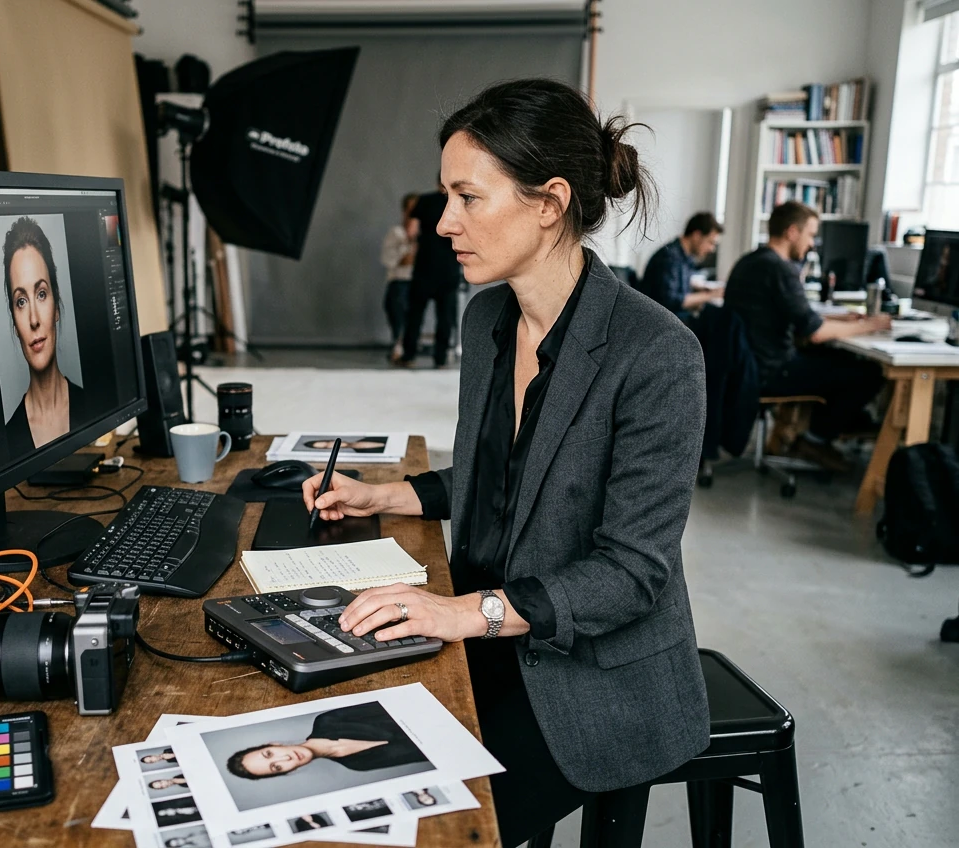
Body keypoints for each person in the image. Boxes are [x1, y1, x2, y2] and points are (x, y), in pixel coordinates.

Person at [299, 78, 710, 848]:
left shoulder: (656, 353)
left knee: (420, 826)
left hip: (587, 678)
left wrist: (463, 612)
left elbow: (632, 572)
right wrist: (384, 497)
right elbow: (511, 478)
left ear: (549, 203)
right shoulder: (488, 317)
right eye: (444, 197)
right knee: (319, 749)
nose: (443, 222)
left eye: (467, 198)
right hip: (490, 637)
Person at [724, 201, 888, 469]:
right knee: (867, 373)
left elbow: (799, 315)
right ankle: (815, 439)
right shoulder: (781, 269)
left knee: (841, 360)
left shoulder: (750, 261)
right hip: (773, 370)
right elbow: (815, 333)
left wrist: (842, 319)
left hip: (749, 365)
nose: (812, 244)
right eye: (810, 235)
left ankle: (828, 429)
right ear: (792, 232)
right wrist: (871, 325)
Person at [2, 216, 86, 454]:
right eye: (21, 301)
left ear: (56, 306)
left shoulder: (94, 409)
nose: (34, 319)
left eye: (41, 294)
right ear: (14, 322)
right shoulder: (7, 440)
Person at [226, 702, 426, 779]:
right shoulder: (358, 766)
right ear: (287, 771)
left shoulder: (329, 720)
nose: (285, 759)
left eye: (269, 754)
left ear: (274, 744)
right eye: (276, 767)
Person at [400, 183, 462, 368]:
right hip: (449, 268)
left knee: (415, 314)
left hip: (425, 266)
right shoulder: (459, 203)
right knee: (445, 317)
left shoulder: (424, 201)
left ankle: (408, 356)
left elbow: (411, 231)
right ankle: (440, 359)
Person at [639, 211, 724, 322]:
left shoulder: (683, 257)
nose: (712, 249)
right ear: (697, 236)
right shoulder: (669, 257)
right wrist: (710, 295)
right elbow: (670, 301)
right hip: (662, 322)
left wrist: (701, 289)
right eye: (710, 242)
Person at [381, 194, 419, 362]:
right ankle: (399, 342)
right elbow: (391, 261)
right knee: (395, 302)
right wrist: (409, 243)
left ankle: (404, 344)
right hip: (399, 281)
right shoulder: (396, 233)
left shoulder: (428, 235)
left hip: (418, 282)